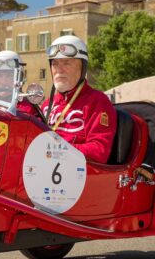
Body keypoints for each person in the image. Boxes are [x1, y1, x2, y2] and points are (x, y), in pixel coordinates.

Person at [42, 35, 117, 164]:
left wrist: (56, 151)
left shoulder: (97, 101)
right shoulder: (46, 104)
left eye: (66, 63)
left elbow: (99, 151)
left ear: (82, 67)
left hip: (79, 176)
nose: (59, 70)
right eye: (54, 64)